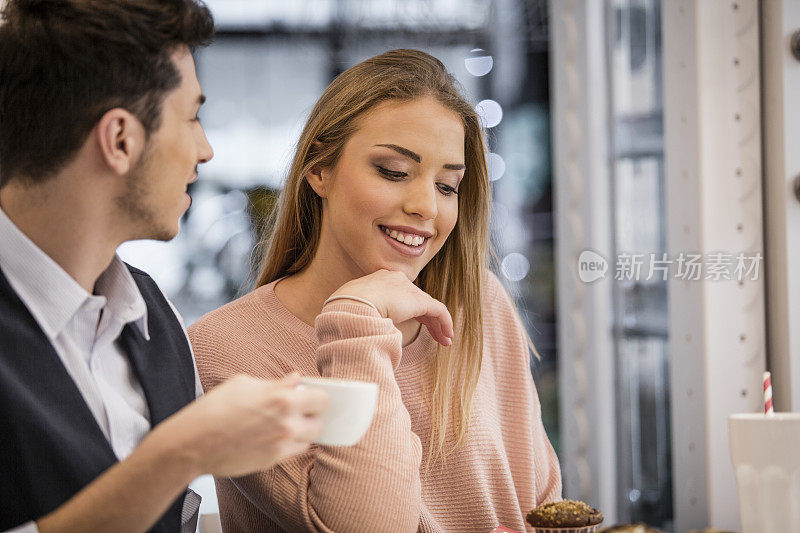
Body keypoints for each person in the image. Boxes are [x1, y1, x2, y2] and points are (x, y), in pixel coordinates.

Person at [189, 49, 562, 532]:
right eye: (393, 172)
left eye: (448, 186)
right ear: (319, 170)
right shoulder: (228, 348)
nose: (425, 206)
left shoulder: (479, 302)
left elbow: (545, 505)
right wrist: (357, 315)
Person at [0, 1, 329, 532]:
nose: (206, 149)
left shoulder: (158, 319)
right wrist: (179, 452)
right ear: (121, 139)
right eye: (193, 116)